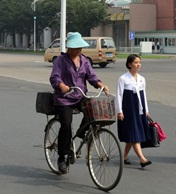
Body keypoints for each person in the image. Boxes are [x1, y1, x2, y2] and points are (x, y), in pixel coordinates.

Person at [49, 32, 109, 174]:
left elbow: (91, 76)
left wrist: (100, 84)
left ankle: (81, 134)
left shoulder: (84, 60)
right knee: (66, 124)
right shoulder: (61, 60)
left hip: (79, 95)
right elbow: (54, 77)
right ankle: (62, 157)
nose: (78, 50)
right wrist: (61, 85)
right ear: (69, 47)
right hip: (64, 98)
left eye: (80, 47)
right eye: (75, 47)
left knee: (93, 110)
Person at [115, 54, 153, 168]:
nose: (138, 65)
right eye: (136, 62)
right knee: (135, 134)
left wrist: (146, 109)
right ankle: (142, 159)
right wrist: (119, 111)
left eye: (140, 62)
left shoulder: (142, 79)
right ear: (129, 64)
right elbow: (119, 96)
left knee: (133, 134)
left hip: (139, 110)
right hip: (129, 109)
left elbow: (144, 95)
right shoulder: (123, 78)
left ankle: (124, 156)